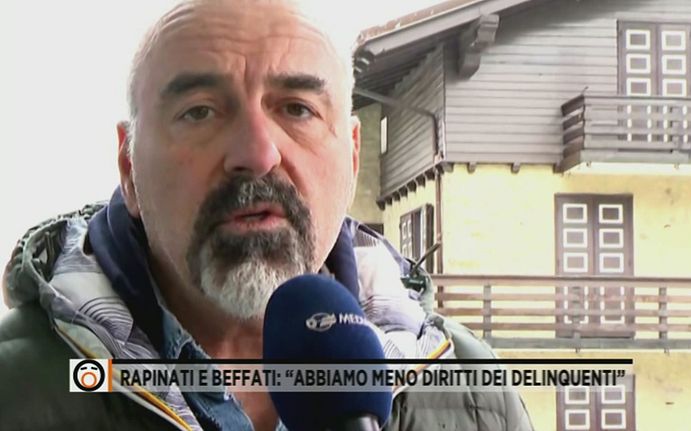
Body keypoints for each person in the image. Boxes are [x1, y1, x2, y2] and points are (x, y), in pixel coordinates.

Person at [0, 0, 534, 430]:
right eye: (199, 112)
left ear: (352, 159)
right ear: (129, 168)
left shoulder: (476, 397)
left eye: (297, 109)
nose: (257, 154)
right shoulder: (13, 391)